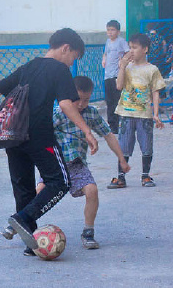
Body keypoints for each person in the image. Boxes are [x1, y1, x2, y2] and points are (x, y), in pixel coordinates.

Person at [0, 28, 99, 256]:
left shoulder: (29, 66)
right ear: (66, 48)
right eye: (74, 57)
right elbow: (66, 104)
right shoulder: (59, 69)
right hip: (39, 135)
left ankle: (30, 244)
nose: (72, 64)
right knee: (60, 182)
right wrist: (87, 132)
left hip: (13, 134)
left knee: (23, 188)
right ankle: (21, 218)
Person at [32, 76, 130, 250]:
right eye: (77, 99)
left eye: (86, 99)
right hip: (55, 164)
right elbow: (40, 134)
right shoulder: (58, 113)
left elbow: (108, 135)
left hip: (77, 165)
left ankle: (88, 232)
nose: (81, 104)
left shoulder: (91, 113)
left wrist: (121, 158)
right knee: (40, 191)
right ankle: (31, 228)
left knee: (92, 190)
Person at [107, 33, 165, 189]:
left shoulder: (152, 69)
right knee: (124, 146)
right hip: (126, 113)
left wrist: (156, 114)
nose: (131, 51)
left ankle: (145, 176)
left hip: (144, 115)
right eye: (130, 47)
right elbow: (119, 86)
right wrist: (122, 66)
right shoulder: (126, 68)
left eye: (135, 47)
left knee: (146, 145)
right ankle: (121, 177)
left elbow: (155, 92)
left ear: (145, 49)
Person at [102, 20, 129, 135]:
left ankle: (120, 123)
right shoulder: (108, 42)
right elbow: (105, 53)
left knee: (118, 100)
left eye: (112, 30)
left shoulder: (121, 41)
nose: (110, 32)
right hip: (107, 75)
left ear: (118, 31)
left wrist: (122, 61)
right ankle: (112, 125)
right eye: (108, 30)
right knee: (109, 101)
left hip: (117, 75)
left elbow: (128, 53)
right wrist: (103, 59)